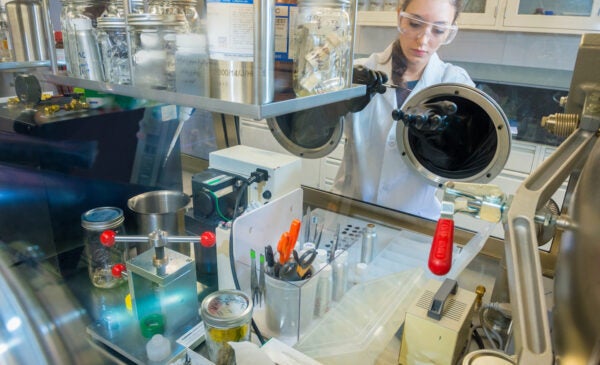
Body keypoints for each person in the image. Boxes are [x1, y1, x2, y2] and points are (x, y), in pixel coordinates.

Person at [332, 0, 475, 220]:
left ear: (449, 32)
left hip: (415, 221)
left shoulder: (455, 85)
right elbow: (314, 135)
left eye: (438, 30)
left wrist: (446, 143)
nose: (423, 40)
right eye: (415, 24)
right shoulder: (360, 73)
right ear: (400, 16)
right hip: (350, 213)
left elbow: (470, 158)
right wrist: (336, 103)